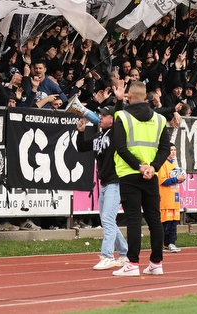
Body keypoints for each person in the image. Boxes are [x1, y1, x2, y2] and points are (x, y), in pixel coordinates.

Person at [112, 80, 170, 276]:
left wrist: (139, 166)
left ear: (129, 97)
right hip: (151, 175)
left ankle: (133, 263)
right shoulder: (160, 120)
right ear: (146, 97)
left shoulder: (122, 116)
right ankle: (156, 262)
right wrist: (152, 167)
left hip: (130, 174)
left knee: (134, 219)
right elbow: (164, 149)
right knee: (154, 218)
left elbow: (120, 147)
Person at [76, 104, 128, 270]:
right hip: (104, 183)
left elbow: (120, 116)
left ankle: (107, 256)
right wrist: (81, 132)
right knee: (109, 221)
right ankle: (125, 253)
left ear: (112, 120)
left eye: (104, 115)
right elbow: (82, 147)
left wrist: (119, 101)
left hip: (115, 182)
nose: (100, 117)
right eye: (100, 114)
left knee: (107, 220)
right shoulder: (99, 135)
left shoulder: (115, 134)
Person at [159, 144, 186, 253]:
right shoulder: (162, 164)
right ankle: (166, 243)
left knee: (174, 222)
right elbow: (163, 181)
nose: (173, 152)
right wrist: (176, 179)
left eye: (175, 149)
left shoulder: (174, 164)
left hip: (174, 198)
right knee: (166, 223)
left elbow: (175, 179)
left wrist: (180, 179)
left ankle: (171, 243)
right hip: (166, 199)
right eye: (171, 150)